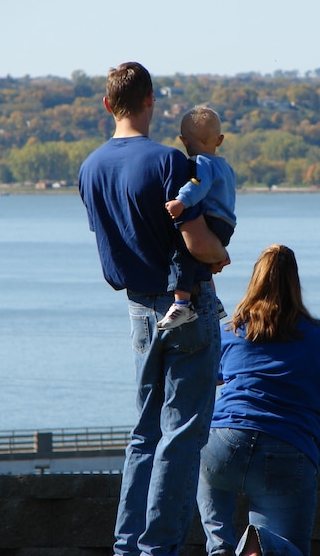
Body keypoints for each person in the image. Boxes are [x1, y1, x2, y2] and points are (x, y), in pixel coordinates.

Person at [77, 61, 230, 556]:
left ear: (107, 104)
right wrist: (221, 255)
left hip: (137, 310)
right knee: (182, 434)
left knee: (144, 433)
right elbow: (198, 241)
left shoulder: (90, 168)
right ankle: (158, 549)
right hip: (186, 305)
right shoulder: (169, 162)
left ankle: (127, 546)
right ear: (151, 102)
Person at [196, 244, 320, 556]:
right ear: (295, 283)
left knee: (219, 544)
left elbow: (210, 378)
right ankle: (256, 549)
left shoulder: (232, 332)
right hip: (289, 447)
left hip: (222, 444)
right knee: (285, 549)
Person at [158, 106, 237, 330]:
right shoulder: (226, 167)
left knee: (181, 252)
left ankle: (181, 303)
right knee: (198, 262)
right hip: (225, 224)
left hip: (212, 219)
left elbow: (197, 185)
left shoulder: (201, 162)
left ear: (184, 141)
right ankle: (213, 300)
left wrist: (181, 202)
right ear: (219, 140)